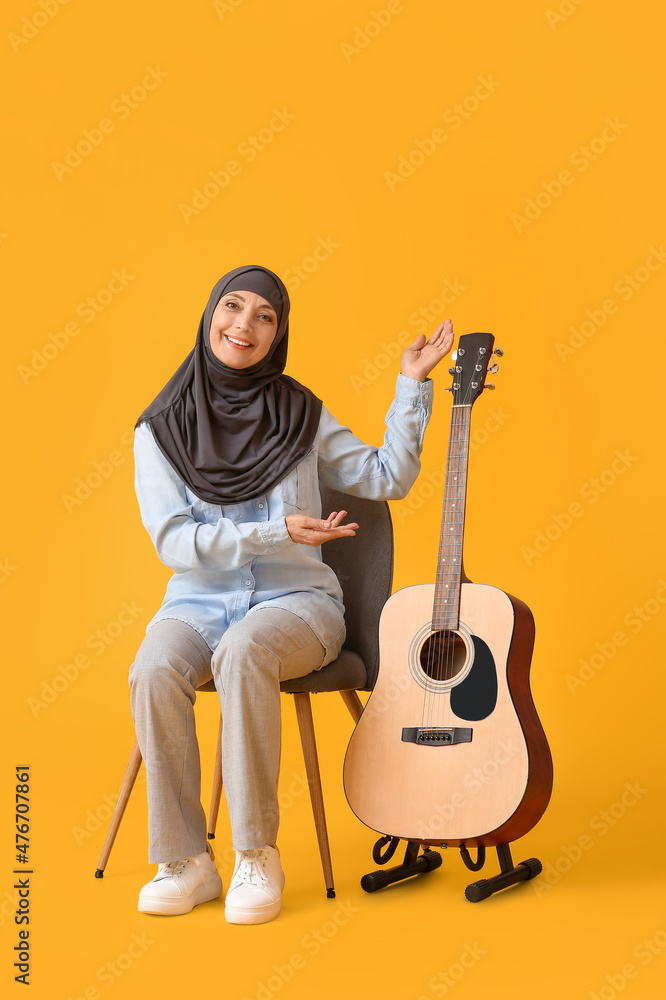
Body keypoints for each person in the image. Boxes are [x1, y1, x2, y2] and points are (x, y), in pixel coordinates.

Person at [129, 264, 453, 923]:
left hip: (298, 605)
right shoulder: (159, 429)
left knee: (245, 650)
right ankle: (186, 860)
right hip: (196, 604)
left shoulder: (300, 414)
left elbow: (385, 476)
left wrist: (410, 386)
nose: (244, 324)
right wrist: (274, 531)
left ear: (278, 334)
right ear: (210, 315)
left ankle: (256, 853)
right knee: (153, 666)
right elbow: (174, 543)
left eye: (265, 316)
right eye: (233, 306)